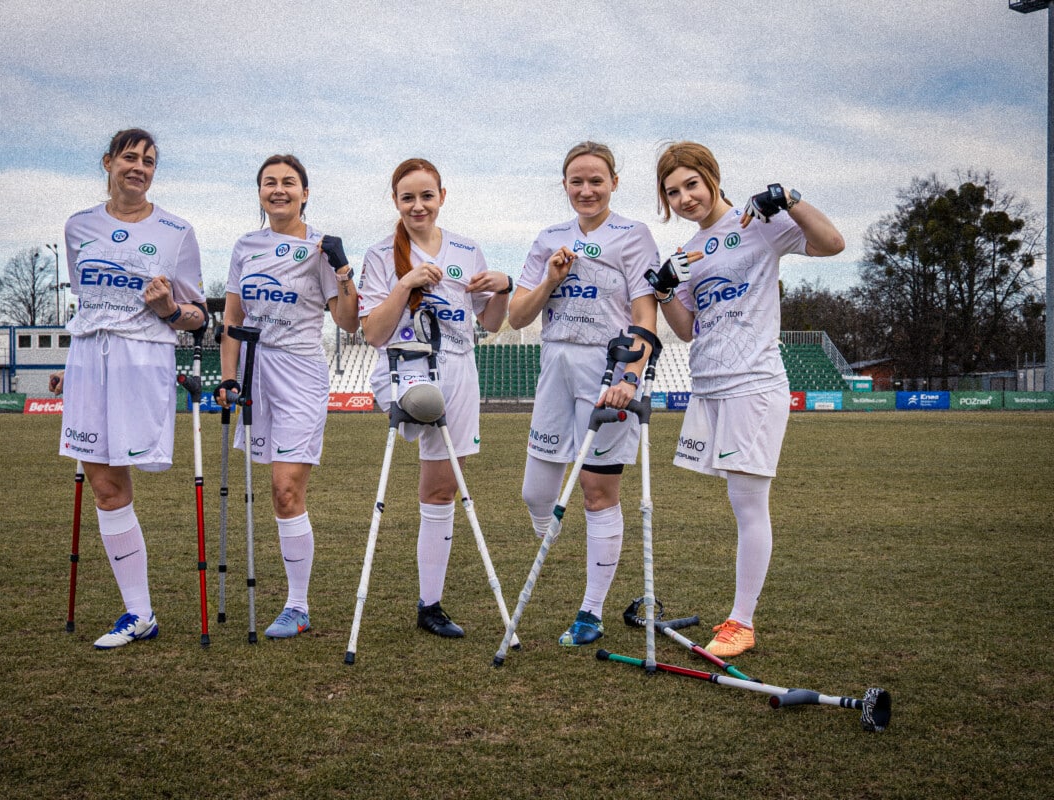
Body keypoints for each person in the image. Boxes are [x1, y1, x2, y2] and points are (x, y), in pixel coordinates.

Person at [651, 140, 845, 657]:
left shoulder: (754, 222)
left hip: (753, 382)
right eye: (673, 192)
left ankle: (742, 622)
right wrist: (669, 290)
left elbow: (832, 244)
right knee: (736, 502)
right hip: (708, 383)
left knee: (748, 504)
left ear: (712, 177)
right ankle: (737, 616)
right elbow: (688, 330)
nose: (685, 198)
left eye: (692, 184)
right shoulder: (687, 252)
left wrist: (789, 198)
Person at [50, 127, 209, 649]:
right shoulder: (78, 227)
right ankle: (139, 613)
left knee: (134, 471)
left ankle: (140, 610)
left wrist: (168, 309)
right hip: (88, 359)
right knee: (104, 485)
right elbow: (86, 305)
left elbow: (198, 317)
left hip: (143, 359)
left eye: (148, 161)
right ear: (108, 163)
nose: (138, 167)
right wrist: (68, 364)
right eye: (129, 158)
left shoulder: (176, 231)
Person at [508, 141, 662, 647]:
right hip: (555, 361)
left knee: (598, 493)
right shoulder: (548, 238)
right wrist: (552, 279)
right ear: (565, 185)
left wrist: (630, 376)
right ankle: (573, 559)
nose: (587, 189)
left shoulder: (633, 235)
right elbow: (517, 316)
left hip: (607, 366)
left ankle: (590, 611)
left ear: (614, 182)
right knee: (536, 491)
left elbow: (644, 315)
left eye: (596, 180)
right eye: (576, 181)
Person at [358, 158, 512, 638]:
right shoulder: (382, 254)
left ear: (442, 196)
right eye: (408, 197)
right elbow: (373, 333)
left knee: (444, 486)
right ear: (395, 201)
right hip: (406, 368)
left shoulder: (467, 248)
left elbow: (491, 322)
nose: (418, 205)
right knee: (436, 479)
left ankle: (430, 604)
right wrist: (405, 284)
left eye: (427, 196)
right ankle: (430, 601)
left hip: (461, 367)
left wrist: (503, 287)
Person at [216, 154, 359, 639]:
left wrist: (342, 269)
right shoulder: (245, 246)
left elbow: (346, 321)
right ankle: (294, 601)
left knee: (286, 489)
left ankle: (297, 607)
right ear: (259, 192)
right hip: (256, 372)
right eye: (269, 183)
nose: (279, 190)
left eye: (289, 183)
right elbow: (232, 322)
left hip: (300, 372)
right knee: (274, 492)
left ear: (305, 192)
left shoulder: (319, 248)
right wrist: (229, 377)